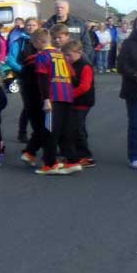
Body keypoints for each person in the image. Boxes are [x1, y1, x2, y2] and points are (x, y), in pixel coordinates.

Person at [22, 25, 80, 176]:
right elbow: (73, 77)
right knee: (65, 130)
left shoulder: (42, 56)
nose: (33, 46)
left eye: (33, 43)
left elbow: (42, 78)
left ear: (39, 42)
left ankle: (50, 164)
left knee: (50, 131)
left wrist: (46, 99)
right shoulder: (61, 55)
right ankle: (73, 161)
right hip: (67, 97)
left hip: (53, 97)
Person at [64, 40, 95, 167]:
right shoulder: (70, 64)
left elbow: (84, 87)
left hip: (83, 101)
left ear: (79, 53)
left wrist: (69, 94)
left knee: (78, 129)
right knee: (75, 127)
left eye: (69, 55)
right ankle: (76, 153)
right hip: (74, 101)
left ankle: (85, 156)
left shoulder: (85, 66)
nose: (67, 58)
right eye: (65, 55)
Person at [119, 16, 137, 170]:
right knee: (136, 124)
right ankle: (135, 156)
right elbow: (121, 66)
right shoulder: (128, 44)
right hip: (134, 90)